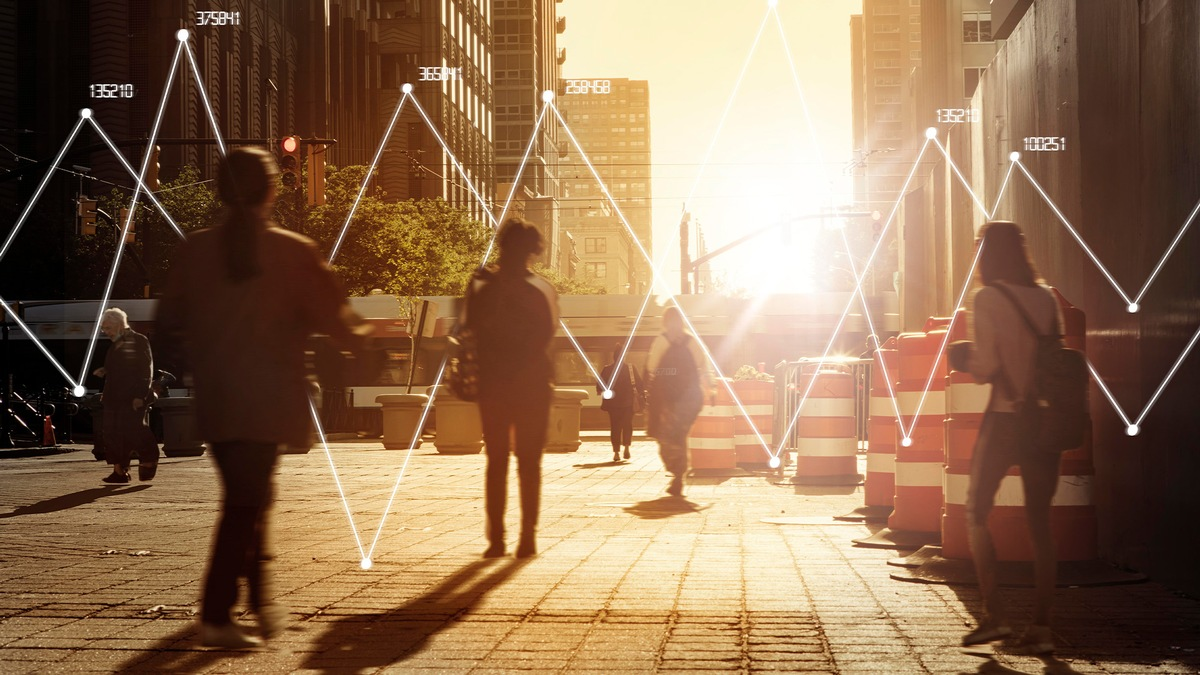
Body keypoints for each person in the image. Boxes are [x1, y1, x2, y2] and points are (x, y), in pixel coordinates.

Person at [156, 147, 369, 650]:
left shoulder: (194, 249)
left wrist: (201, 358)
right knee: (246, 502)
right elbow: (336, 320)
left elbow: (167, 324)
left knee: (252, 496)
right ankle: (216, 613)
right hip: (269, 399)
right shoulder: (293, 251)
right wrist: (364, 338)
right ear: (272, 191)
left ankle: (261, 602)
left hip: (218, 398)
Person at [948, 221, 1063, 655]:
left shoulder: (987, 298)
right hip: (1044, 422)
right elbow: (1055, 361)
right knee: (1040, 522)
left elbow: (985, 368)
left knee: (976, 510)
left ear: (987, 255)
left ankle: (995, 614)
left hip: (1004, 419)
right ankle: (1043, 627)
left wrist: (962, 356)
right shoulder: (1047, 298)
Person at [464, 218, 558, 560]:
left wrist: (476, 286)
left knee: (497, 459)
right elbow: (547, 335)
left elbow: (468, 329)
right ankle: (527, 538)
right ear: (533, 251)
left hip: (493, 386)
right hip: (532, 385)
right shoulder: (541, 289)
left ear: (502, 246)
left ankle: (496, 541)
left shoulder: (482, 287)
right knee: (530, 462)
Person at [645, 305, 712, 498]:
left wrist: (666, 375)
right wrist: (711, 387)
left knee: (665, 437)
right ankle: (679, 474)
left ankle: (677, 473)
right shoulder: (692, 341)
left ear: (665, 321)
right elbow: (704, 366)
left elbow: (651, 367)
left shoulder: (662, 341)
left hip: (668, 399)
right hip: (691, 398)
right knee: (680, 435)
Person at [94, 307, 159, 483]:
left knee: (135, 431)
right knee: (113, 433)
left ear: (118, 324)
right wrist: (106, 371)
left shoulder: (138, 340)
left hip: (131, 397)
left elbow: (145, 369)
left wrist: (140, 395)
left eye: (107, 327)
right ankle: (120, 471)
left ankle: (149, 460)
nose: (105, 331)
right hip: (115, 397)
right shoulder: (117, 343)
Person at [597, 343, 643, 462]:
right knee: (627, 425)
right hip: (628, 404)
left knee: (615, 427)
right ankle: (627, 448)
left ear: (614, 356)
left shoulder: (607, 369)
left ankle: (616, 453)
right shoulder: (631, 368)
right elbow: (640, 384)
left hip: (613, 405)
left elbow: (599, 386)